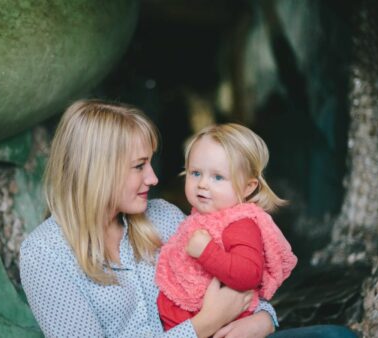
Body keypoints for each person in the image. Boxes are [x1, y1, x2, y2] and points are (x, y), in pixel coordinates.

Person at [19, 100, 278, 337]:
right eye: (139, 166)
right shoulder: (44, 253)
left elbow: (238, 277)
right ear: (98, 171)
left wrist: (264, 320)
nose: (153, 179)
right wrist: (204, 325)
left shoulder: (164, 216)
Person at [155, 123, 298, 331]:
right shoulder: (202, 216)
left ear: (248, 187)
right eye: (195, 173)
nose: (203, 184)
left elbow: (249, 274)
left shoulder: (240, 223)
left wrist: (207, 252)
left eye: (218, 177)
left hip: (224, 326)